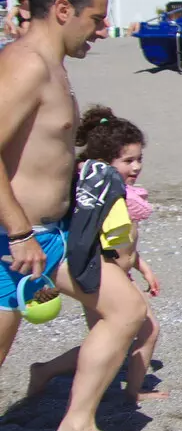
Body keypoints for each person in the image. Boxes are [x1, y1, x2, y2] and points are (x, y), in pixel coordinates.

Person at [0, 0, 146, 431]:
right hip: (16, 241)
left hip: (52, 235)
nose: (103, 30)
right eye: (97, 19)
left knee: (125, 310)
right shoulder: (26, 63)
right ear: (62, 9)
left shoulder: (53, 65)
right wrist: (19, 231)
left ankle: (76, 426)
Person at [27, 107, 166, 406]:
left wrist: (143, 267)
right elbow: (98, 241)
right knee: (118, 338)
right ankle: (46, 370)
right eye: (128, 160)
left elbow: (127, 242)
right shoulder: (97, 196)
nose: (136, 166)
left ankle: (132, 391)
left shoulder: (121, 194)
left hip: (122, 275)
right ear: (103, 163)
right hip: (100, 275)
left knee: (139, 334)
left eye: (139, 159)